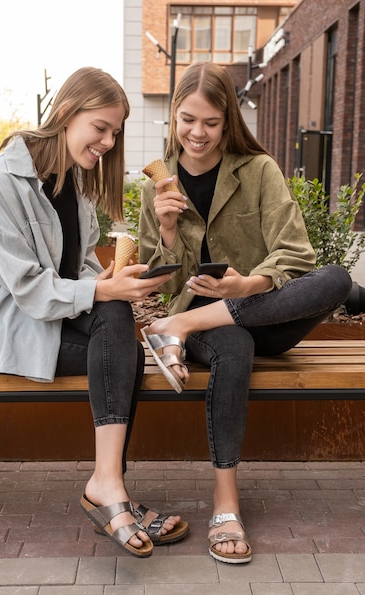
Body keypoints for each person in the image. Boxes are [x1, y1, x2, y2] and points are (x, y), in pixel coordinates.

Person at [0, 66, 188, 558]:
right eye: (100, 127)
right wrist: (102, 292)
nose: (107, 141)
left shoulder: (74, 184)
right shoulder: (2, 180)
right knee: (120, 345)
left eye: (115, 133)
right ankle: (111, 488)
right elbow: (29, 289)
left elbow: (79, 272)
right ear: (66, 112)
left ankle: (109, 485)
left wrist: (112, 282)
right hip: (13, 330)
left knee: (119, 327)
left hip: (54, 323)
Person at [139, 61, 352, 564]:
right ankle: (226, 501)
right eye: (187, 119)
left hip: (263, 310)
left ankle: (177, 327)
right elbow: (157, 280)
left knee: (337, 279)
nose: (197, 132)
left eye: (211, 122)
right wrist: (167, 233)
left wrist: (249, 282)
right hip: (208, 329)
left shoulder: (258, 170)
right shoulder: (157, 185)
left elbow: (297, 252)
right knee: (233, 343)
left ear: (228, 119)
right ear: (173, 114)